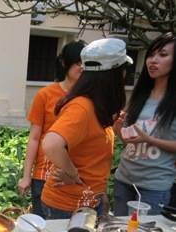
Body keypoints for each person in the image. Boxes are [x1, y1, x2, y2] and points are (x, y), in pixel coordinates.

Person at [40, 38, 132, 219]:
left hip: (87, 204)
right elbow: (51, 144)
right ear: (113, 75)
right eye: (122, 70)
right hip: (67, 207)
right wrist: (71, 172)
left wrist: (100, 194)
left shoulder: (97, 106)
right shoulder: (83, 107)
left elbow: (91, 160)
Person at [18, 40, 86, 216]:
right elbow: (34, 138)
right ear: (65, 63)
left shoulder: (89, 99)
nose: (83, 68)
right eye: (78, 63)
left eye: (86, 63)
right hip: (43, 176)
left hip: (74, 177)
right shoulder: (45, 95)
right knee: (41, 230)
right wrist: (26, 176)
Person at [113, 32, 176, 216]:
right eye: (151, 54)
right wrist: (118, 129)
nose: (153, 60)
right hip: (124, 179)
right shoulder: (139, 95)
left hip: (154, 186)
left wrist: (149, 139)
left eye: (163, 55)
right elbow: (131, 142)